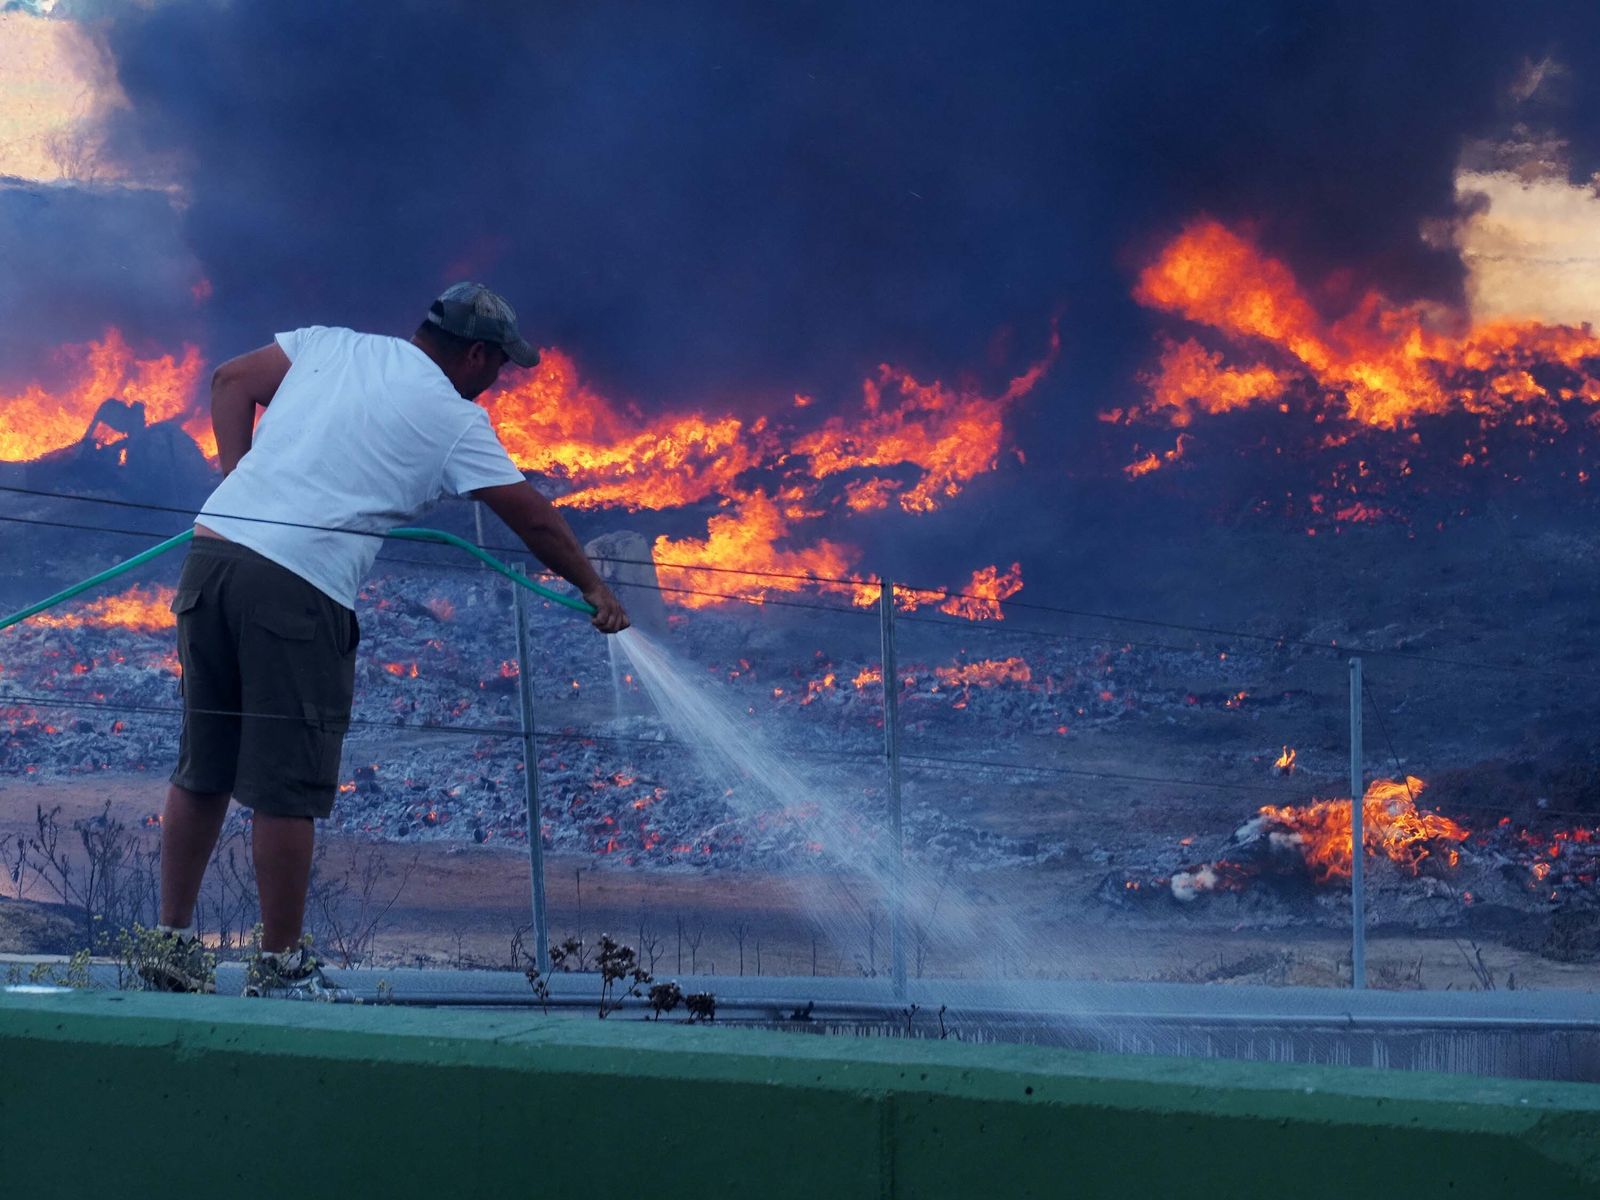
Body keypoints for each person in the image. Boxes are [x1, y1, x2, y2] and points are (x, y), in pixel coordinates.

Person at [142, 283, 628, 996]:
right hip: (295, 589)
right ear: (474, 354)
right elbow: (536, 521)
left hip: (212, 558)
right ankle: (279, 967)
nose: (498, 383)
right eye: (499, 368)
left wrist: (241, 483)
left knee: (204, 764)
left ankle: (172, 944)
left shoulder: (333, 343)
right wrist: (595, 587)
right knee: (288, 782)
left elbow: (229, 381)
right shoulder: (453, 418)